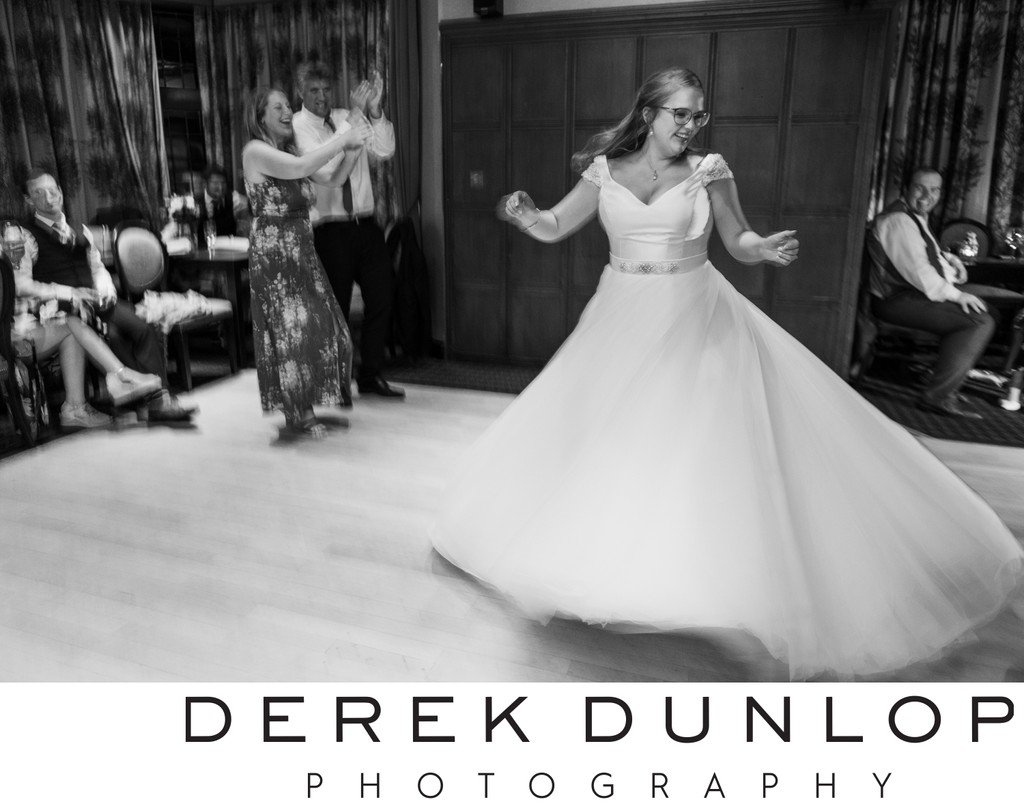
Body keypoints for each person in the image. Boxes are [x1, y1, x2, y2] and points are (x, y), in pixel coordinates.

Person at [431, 67, 1023, 680]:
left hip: (693, 310)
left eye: (698, 115)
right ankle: (609, 561)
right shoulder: (603, 172)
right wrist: (522, 212)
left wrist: (760, 247)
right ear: (650, 113)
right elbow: (555, 226)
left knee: (688, 440)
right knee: (609, 437)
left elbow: (736, 238)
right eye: (680, 113)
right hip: (620, 313)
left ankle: (688, 572)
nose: (690, 125)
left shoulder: (710, 169)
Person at [241, 86, 367, 439]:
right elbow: (301, 166)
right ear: (260, 116)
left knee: (326, 327)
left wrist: (353, 149)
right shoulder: (256, 152)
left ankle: (306, 404)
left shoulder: (289, 152)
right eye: (277, 107)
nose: (286, 112)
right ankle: (299, 412)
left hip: (302, 253)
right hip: (274, 257)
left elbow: (332, 178)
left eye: (287, 106)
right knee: (291, 334)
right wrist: (343, 139)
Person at [17, 170, 194, 421]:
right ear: (28, 200)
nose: (49, 197)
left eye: (53, 190)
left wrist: (106, 290)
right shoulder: (26, 236)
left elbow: (97, 267)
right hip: (61, 308)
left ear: (61, 192)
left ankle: (156, 397)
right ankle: (151, 400)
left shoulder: (80, 229)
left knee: (141, 326)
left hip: (96, 300)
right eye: (39, 193)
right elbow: (23, 285)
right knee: (113, 334)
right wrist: (67, 292)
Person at [291, 61, 404, 399]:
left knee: (383, 298)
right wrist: (356, 117)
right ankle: (336, 382)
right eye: (314, 91)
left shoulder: (346, 117)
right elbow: (325, 166)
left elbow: (384, 150)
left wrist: (375, 111)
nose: (322, 97)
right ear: (301, 93)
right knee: (335, 310)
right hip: (330, 230)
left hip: (366, 225)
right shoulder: (297, 127)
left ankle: (370, 375)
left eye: (326, 90)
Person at [866, 168, 996, 419]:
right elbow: (921, 274)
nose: (928, 195)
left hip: (910, 296)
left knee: (986, 312)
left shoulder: (913, 218)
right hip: (893, 300)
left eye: (935, 189)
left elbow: (929, 255)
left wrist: (951, 262)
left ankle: (945, 382)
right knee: (979, 321)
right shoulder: (899, 220)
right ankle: (937, 396)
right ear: (906, 188)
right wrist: (958, 295)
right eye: (920, 187)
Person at [3, 251, 109, 429]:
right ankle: (116, 376)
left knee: (69, 325)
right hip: (8, 339)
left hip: (12, 330)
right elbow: (20, 287)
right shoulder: (12, 240)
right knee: (71, 325)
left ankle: (76, 407)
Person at [195, 164, 249, 238]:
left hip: (229, 246)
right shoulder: (195, 202)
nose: (220, 188)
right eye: (215, 183)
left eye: (223, 183)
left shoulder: (234, 198)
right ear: (205, 183)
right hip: (203, 248)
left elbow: (250, 208)